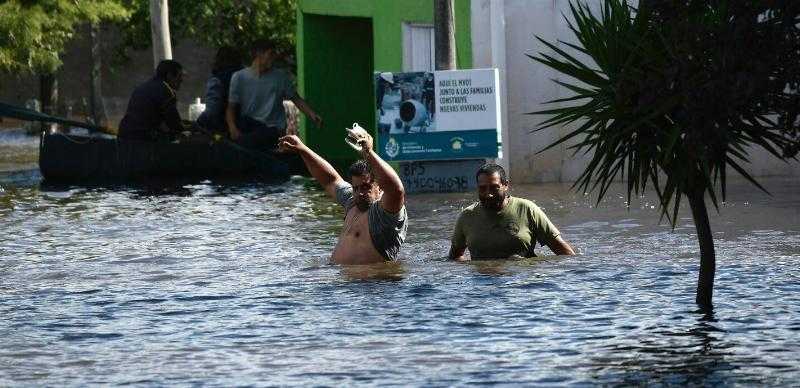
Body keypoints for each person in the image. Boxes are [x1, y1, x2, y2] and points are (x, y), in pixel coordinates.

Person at [277, 129, 407, 265]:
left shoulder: (384, 213)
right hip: (343, 284)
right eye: (355, 188)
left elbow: (396, 190)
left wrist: (369, 153)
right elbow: (330, 180)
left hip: (371, 285)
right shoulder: (351, 202)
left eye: (366, 187)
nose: (360, 193)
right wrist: (302, 149)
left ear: (380, 187)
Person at [449, 163, 575, 261]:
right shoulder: (467, 216)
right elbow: (454, 257)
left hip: (521, 285)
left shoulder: (527, 209)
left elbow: (564, 252)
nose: (489, 194)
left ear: (505, 185)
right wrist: (477, 269)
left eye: (494, 187)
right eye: (483, 188)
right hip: (482, 287)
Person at [226, 39, 322, 149]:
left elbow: (296, 99)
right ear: (259, 54)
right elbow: (231, 107)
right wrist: (232, 128)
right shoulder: (239, 77)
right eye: (270, 54)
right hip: (250, 126)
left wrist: (312, 115)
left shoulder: (280, 77)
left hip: (273, 129)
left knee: (253, 140)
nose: (273, 58)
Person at [118, 60, 184, 141]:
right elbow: (175, 125)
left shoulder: (143, 86)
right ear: (169, 75)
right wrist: (194, 127)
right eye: (179, 76)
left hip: (124, 135)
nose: (182, 80)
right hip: (143, 138)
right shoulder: (166, 91)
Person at [196, 47, 243, 134]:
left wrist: (198, 123)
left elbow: (212, 110)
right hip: (248, 126)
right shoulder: (246, 77)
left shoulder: (218, 80)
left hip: (224, 130)